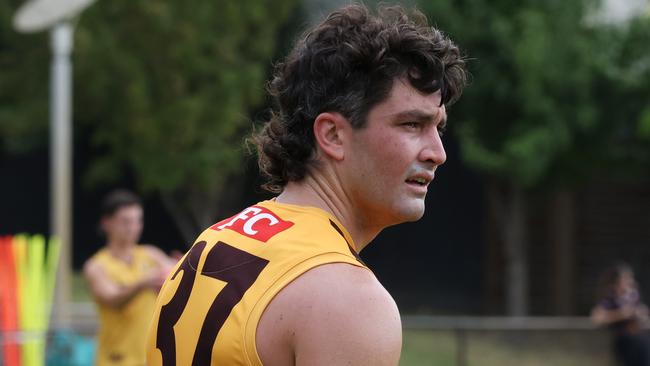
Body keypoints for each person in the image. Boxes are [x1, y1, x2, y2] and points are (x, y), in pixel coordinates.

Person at [146, 4, 467, 366]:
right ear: (332, 135)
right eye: (411, 125)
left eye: (437, 128)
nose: (437, 153)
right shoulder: (349, 301)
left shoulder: (213, 241)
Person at [84, 189, 176, 366]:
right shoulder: (96, 266)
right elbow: (112, 298)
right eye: (126, 221)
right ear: (106, 223)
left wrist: (185, 269)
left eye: (137, 221)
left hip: (151, 360)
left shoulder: (151, 254)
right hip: (115, 360)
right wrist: (144, 283)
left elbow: (176, 281)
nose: (133, 227)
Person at [592, 262, 650, 366]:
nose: (630, 282)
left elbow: (643, 317)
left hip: (640, 340)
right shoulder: (610, 299)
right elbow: (597, 317)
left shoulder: (633, 297)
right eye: (626, 279)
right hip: (624, 342)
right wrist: (623, 314)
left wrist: (642, 315)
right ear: (616, 283)